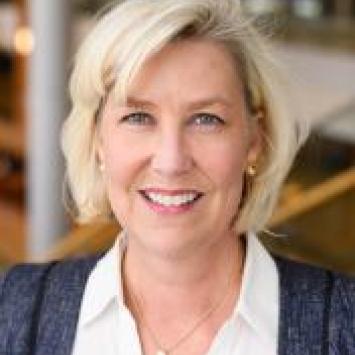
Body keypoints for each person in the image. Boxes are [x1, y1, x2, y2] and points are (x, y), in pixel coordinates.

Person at [1, 0, 354, 354]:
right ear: (98, 140)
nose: (171, 162)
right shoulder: (12, 309)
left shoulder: (346, 326)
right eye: (138, 118)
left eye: (206, 119)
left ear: (254, 140)